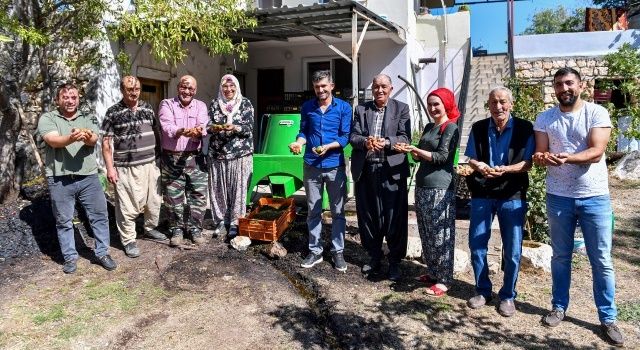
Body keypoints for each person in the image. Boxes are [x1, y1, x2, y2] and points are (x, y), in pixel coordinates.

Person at [533, 68, 624, 346]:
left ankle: (607, 318)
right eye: (559, 84)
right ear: (554, 88)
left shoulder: (597, 113)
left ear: (581, 85)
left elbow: (597, 152)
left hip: (594, 196)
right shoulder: (545, 117)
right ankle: (559, 306)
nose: (564, 88)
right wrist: (541, 157)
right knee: (561, 257)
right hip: (558, 195)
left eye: (569, 83)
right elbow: (539, 152)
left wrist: (568, 158)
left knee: (602, 260)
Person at [464, 86, 534, 317]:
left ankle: (507, 295)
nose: (498, 107)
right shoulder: (478, 127)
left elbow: (528, 163)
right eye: (494, 102)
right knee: (477, 243)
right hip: (483, 191)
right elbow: (472, 158)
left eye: (503, 102)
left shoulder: (525, 128)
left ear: (511, 104)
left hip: (512, 193)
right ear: (488, 105)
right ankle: (483, 289)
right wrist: (479, 165)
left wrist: (506, 170)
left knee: (513, 249)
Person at [37, 83, 117, 273]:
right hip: (59, 178)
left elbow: (93, 139)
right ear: (58, 100)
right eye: (66, 97)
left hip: (88, 176)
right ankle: (70, 257)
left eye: (74, 97)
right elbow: (52, 140)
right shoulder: (48, 118)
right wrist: (73, 138)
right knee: (64, 220)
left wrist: (86, 136)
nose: (70, 101)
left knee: (99, 215)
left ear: (78, 99)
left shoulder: (88, 118)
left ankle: (102, 252)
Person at [396, 87, 460, 295]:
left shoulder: (451, 128)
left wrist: (415, 149)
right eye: (430, 104)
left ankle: (444, 278)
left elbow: (441, 157)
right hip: (422, 184)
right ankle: (432, 271)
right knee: (426, 230)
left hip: (441, 187)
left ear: (446, 105)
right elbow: (421, 156)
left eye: (436, 104)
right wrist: (411, 152)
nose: (432, 108)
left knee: (441, 232)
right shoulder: (428, 127)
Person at [289, 70, 352, 272]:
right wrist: (298, 142)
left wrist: (328, 147)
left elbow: (345, 137)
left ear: (332, 86)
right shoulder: (308, 107)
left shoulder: (343, 107)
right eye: (317, 87)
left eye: (324, 86)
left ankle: (337, 251)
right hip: (312, 165)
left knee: (338, 211)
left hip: (335, 165)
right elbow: (304, 131)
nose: (321, 90)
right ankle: (315, 250)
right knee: (313, 210)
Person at [350, 74, 410, 281]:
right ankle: (374, 255)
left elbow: (405, 137)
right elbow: (353, 137)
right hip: (366, 171)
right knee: (368, 216)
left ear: (391, 89)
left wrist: (385, 142)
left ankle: (395, 261)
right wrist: (366, 142)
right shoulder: (360, 109)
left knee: (394, 217)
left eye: (384, 87)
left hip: (391, 171)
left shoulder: (401, 108)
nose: (380, 91)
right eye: (376, 87)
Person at [101, 76, 164, 258]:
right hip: (126, 166)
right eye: (130, 89)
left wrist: (159, 157)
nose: (134, 92)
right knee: (126, 205)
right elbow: (106, 143)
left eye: (136, 88)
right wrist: (110, 168)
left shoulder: (147, 108)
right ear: (122, 90)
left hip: (151, 163)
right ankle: (128, 239)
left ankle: (150, 228)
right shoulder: (112, 112)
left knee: (153, 201)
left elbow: (156, 131)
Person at [158, 75, 209, 246]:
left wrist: (198, 131)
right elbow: (166, 125)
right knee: (173, 196)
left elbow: (203, 125)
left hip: (195, 157)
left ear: (195, 90)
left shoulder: (201, 106)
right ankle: (176, 229)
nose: (187, 91)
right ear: (178, 87)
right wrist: (179, 131)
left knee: (198, 195)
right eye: (184, 87)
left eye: (191, 88)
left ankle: (195, 229)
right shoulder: (167, 104)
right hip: (172, 157)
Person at [207, 74, 254, 240]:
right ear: (221, 87)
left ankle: (235, 222)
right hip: (218, 153)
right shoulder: (214, 104)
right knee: (218, 188)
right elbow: (208, 126)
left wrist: (235, 127)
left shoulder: (245, 104)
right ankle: (220, 220)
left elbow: (248, 128)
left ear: (237, 87)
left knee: (238, 189)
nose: (228, 89)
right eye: (225, 86)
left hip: (240, 154)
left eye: (232, 86)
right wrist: (214, 128)